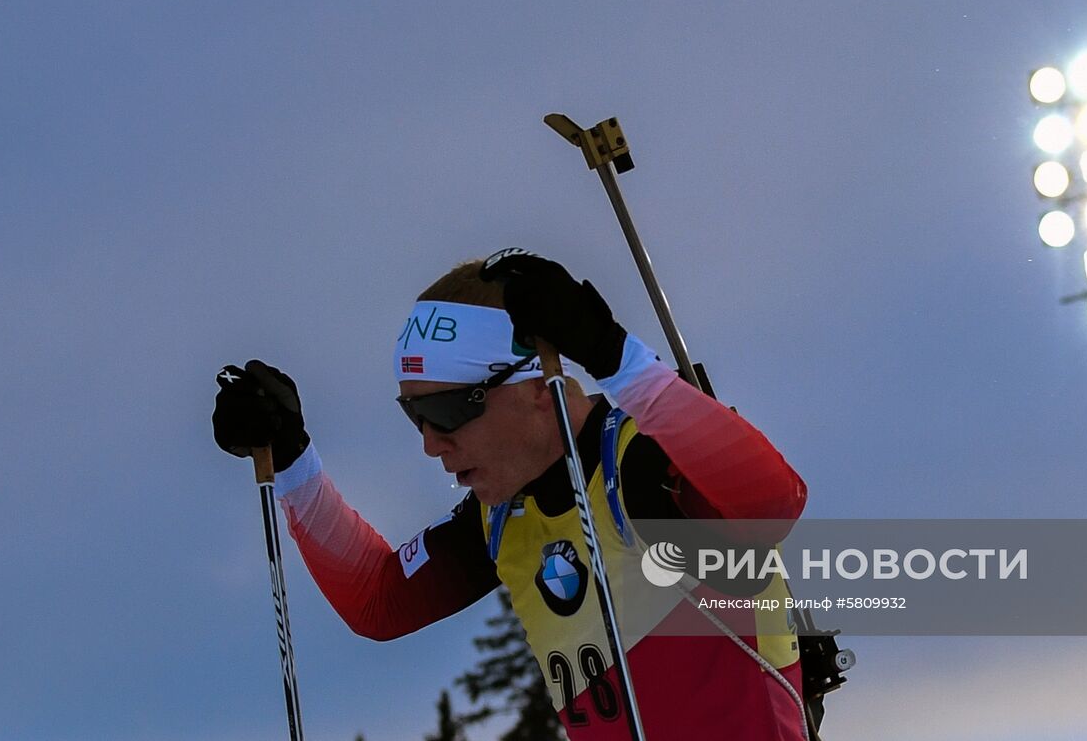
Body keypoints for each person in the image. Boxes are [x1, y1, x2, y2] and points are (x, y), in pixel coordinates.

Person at [213, 251, 810, 740]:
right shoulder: (503, 517)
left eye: (446, 411)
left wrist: (614, 356)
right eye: (413, 415)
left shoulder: (640, 459)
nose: (431, 444)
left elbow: (771, 505)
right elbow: (380, 601)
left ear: (530, 385)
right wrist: (292, 462)